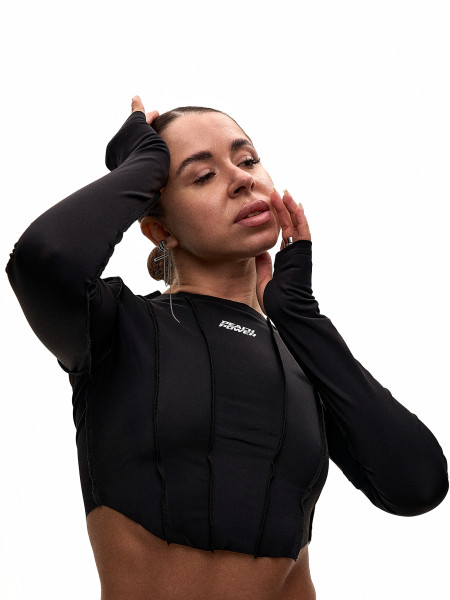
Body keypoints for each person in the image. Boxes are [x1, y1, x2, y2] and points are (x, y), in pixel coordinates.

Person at [6, 95, 448, 600]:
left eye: (248, 159)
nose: (241, 179)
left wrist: (300, 319)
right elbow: (44, 259)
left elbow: (417, 485)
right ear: (160, 229)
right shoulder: (119, 329)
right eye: (202, 175)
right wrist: (144, 163)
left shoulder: (300, 358)